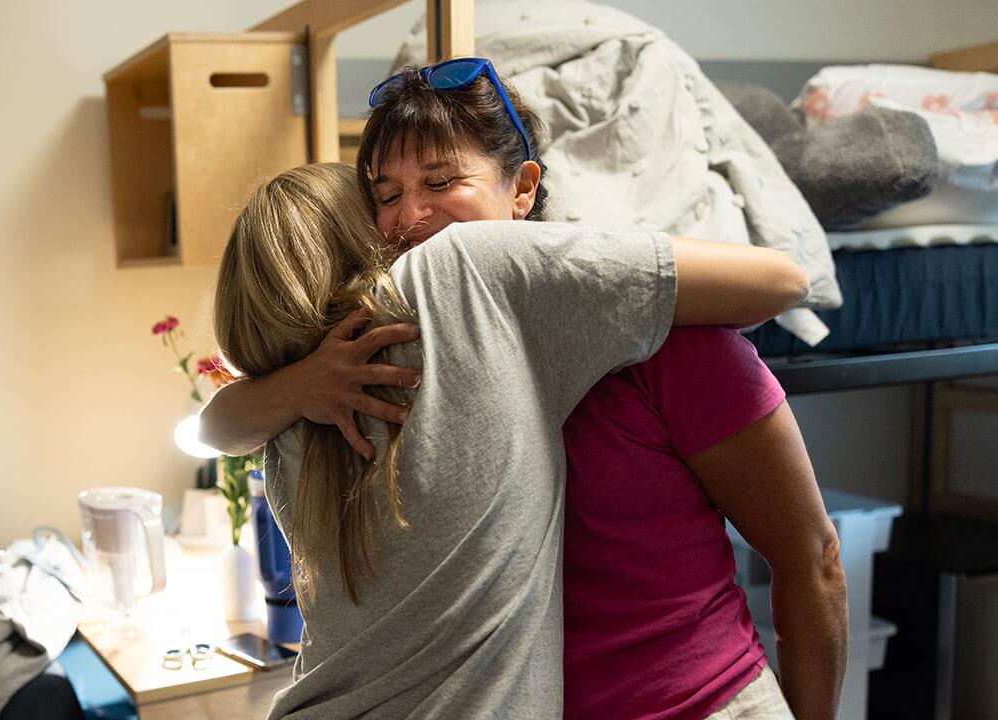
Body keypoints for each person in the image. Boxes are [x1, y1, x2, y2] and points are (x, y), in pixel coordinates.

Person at [203, 58, 846, 720]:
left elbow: (814, 558)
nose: (409, 217)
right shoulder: (369, 373)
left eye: (440, 181)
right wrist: (295, 387)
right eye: (386, 196)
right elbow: (218, 422)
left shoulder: (667, 344)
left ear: (522, 189)